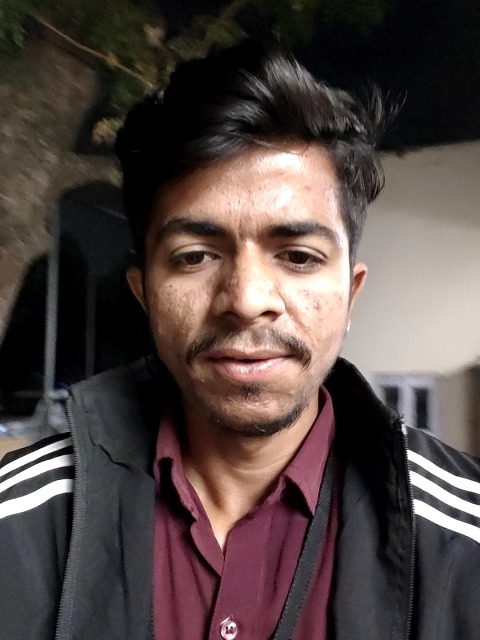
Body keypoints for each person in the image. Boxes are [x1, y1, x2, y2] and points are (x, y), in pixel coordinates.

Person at [1, 42, 480, 640]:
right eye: (195, 256)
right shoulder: (20, 528)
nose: (247, 298)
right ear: (144, 292)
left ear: (350, 293)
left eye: (298, 256)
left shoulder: (462, 542)